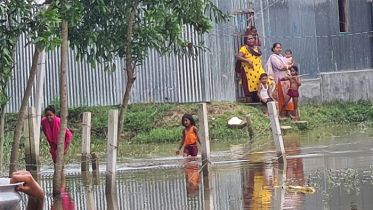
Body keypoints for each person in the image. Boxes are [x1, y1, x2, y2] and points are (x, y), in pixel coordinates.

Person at [236, 35, 270, 102]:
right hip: (248, 71)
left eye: (252, 39)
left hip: (258, 70)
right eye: (248, 39)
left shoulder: (257, 49)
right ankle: (250, 106)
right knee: (249, 90)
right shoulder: (244, 48)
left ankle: (261, 103)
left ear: (255, 40)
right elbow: (239, 57)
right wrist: (247, 61)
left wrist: (258, 34)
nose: (250, 40)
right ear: (246, 41)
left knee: (261, 85)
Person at [265, 43, 294, 118]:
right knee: (279, 95)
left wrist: (289, 65)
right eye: (277, 48)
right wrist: (289, 66)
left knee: (287, 95)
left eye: (280, 48)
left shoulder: (282, 57)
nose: (279, 49)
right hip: (279, 78)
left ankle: (288, 112)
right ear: (273, 49)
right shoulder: (273, 57)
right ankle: (279, 113)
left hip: (286, 78)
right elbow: (281, 66)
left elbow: (289, 63)